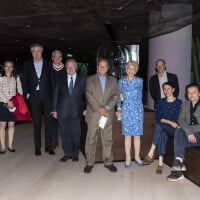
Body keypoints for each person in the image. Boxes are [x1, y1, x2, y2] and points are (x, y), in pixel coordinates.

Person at [84, 58, 118, 173]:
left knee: (108, 139)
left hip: (107, 114)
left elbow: (115, 95)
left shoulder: (113, 80)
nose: (102, 68)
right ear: (97, 67)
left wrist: (107, 107)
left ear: (108, 68)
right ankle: (89, 162)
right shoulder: (90, 79)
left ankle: (108, 162)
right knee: (91, 138)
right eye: (100, 66)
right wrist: (99, 108)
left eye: (104, 66)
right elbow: (88, 95)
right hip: (94, 113)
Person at [22, 43, 55, 156]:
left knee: (49, 123)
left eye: (38, 51)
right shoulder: (27, 64)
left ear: (41, 52)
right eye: (34, 51)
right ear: (31, 53)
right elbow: (25, 81)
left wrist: (52, 96)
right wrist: (28, 95)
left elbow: (52, 81)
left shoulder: (49, 63)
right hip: (34, 97)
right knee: (36, 123)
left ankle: (48, 147)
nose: (36, 53)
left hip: (47, 97)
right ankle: (37, 148)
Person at [143, 82, 182, 174]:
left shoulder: (179, 103)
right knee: (161, 132)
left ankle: (151, 153)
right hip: (165, 126)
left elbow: (178, 119)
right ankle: (160, 164)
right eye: (165, 89)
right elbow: (158, 117)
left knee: (159, 126)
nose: (167, 91)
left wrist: (172, 123)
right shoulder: (161, 102)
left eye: (169, 88)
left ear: (173, 90)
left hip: (174, 129)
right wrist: (169, 122)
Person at [52, 59, 86, 162]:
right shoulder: (60, 79)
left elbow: (87, 96)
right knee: (64, 133)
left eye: (72, 66)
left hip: (77, 111)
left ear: (75, 67)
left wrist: (85, 109)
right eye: (68, 67)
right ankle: (67, 153)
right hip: (62, 111)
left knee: (76, 133)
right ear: (65, 68)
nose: (70, 68)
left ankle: (75, 154)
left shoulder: (83, 79)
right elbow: (55, 95)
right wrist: (54, 110)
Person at [167, 83, 200, 181]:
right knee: (179, 133)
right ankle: (179, 162)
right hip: (190, 135)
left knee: (178, 139)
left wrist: (189, 131)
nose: (191, 94)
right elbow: (181, 120)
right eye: (189, 92)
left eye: (194, 92)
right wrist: (189, 132)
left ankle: (177, 172)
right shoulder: (185, 104)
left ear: (199, 94)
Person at [116, 61, 144, 169]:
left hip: (137, 110)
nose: (131, 71)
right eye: (129, 68)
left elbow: (138, 94)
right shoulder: (121, 82)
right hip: (126, 109)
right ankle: (128, 158)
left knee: (137, 135)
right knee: (127, 135)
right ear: (126, 69)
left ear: (136, 70)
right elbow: (119, 96)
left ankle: (137, 157)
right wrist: (119, 108)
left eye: (133, 69)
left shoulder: (140, 81)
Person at [0, 60, 23, 153]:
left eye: (11, 66)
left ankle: (10, 145)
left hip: (14, 104)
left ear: (13, 68)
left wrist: (19, 100)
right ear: (3, 67)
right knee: (2, 125)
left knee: (11, 124)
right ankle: (3, 146)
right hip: (2, 103)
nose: (9, 68)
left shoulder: (16, 77)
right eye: (7, 66)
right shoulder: (0, 78)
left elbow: (20, 89)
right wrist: (7, 101)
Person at [51, 50, 65, 149]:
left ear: (61, 58)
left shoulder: (67, 69)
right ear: (52, 58)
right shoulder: (48, 69)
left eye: (59, 56)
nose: (57, 58)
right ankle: (54, 141)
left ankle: (65, 142)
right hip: (51, 99)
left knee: (63, 122)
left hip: (63, 99)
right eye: (55, 57)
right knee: (53, 122)